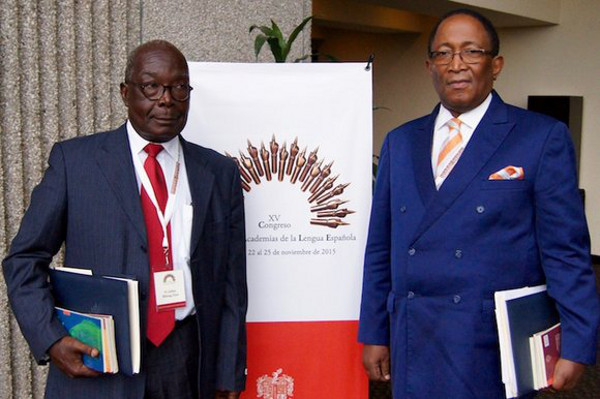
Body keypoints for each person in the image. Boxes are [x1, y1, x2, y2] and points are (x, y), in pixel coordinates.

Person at [358, 8, 599, 399]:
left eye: (471, 52)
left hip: (488, 343)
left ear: (496, 64)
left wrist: (577, 341)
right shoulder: (400, 142)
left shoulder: (539, 138)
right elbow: (380, 247)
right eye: (444, 53)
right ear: (429, 65)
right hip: (413, 335)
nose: (456, 65)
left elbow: (565, 251)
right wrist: (374, 331)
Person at [2, 40, 247, 399]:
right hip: (98, 358)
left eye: (179, 87)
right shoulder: (76, 163)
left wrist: (228, 371)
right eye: (151, 86)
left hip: (186, 361)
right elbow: (24, 260)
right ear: (125, 92)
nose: (166, 99)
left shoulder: (218, 172)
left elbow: (231, 283)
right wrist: (51, 338)